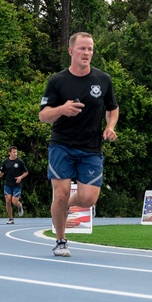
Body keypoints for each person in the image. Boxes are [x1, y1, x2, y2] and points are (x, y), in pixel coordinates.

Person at [39, 32, 119, 257]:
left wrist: (110, 126)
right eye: (82, 48)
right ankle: (61, 240)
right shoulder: (57, 81)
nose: (86, 53)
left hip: (91, 148)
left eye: (90, 49)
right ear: (71, 51)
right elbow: (44, 116)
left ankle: (63, 206)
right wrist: (61, 110)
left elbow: (113, 108)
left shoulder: (103, 79)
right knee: (61, 194)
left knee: (87, 199)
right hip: (62, 145)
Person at [0, 146, 29, 224]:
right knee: (7, 200)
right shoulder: (5, 162)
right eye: (14, 152)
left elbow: (26, 172)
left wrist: (20, 177)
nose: (15, 154)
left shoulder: (20, 162)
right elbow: (2, 171)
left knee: (14, 201)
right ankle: (11, 219)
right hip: (8, 184)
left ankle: (19, 206)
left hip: (17, 185)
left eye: (16, 152)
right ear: (9, 153)